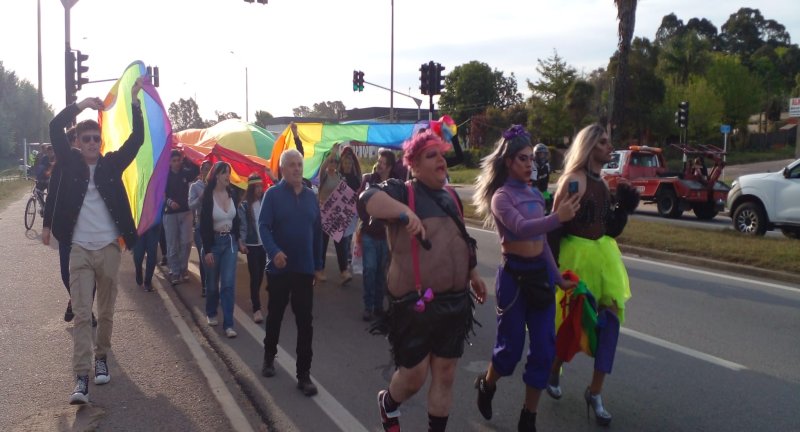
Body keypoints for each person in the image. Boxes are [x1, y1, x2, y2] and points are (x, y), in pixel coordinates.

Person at [361, 131, 487, 432]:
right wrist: (403, 212)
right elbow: (367, 199)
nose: (441, 160)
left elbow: (461, 240)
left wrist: (473, 273)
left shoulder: (452, 196)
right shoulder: (402, 191)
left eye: (441, 154)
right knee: (414, 376)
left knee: (445, 374)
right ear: (414, 165)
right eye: (432, 156)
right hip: (415, 305)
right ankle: (388, 404)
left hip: (455, 302)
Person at [471, 126, 580, 431]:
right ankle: (487, 384)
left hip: (539, 278)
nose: (530, 164)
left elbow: (542, 240)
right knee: (510, 350)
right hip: (513, 279)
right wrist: (558, 217)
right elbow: (519, 228)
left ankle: (527, 417)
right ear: (508, 161)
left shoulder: (534, 193)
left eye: (532, 158)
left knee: (545, 349)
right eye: (523, 158)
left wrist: (557, 278)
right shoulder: (501, 197)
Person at [46, 78, 145, 405]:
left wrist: (134, 102)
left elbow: (138, 139)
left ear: (100, 142)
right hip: (79, 250)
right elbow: (54, 125)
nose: (90, 142)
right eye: (85, 138)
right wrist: (82, 105)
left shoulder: (111, 164)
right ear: (79, 141)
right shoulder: (71, 162)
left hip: (108, 250)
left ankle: (102, 357)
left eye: (95, 138)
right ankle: (81, 378)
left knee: (106, 310)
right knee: (83, 312)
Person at [545, 123, 633, 426]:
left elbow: (608, 228)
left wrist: (622, 209)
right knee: (573, 324)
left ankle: (595, 391)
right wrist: (552, 270)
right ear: (590, 146)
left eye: (609, 143)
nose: (610, 148)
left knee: (610, 324)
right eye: (604, 143)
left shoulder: (602, 183)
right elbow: (555, 227)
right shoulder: (574, 181)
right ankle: (554, 368)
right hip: (575, 261)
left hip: (603, 261)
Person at [258, 149, 323, 397]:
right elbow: (263, 226)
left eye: (300, 164)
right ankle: (268, 356)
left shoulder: (310, 196)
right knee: (275, 316)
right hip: (279, 269)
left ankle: (303, 375)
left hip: (304, 270)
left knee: (305, 323)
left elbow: (317, 232)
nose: (297, 169)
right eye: (292, 165)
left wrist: (318, 265)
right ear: (283, 169)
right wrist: (274, 251)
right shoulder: (272, 195)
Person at [200, 161, 243, 338]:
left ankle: (229, 324)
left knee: (228, 284)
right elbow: (204, 225)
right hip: (214, 243)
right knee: (212, 285)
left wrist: (239, 239)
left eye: (229, 172)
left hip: (230, 243)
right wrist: (208, 249)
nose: (228, 176)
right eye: (225, 173)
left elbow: (237, 220)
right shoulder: (208, 196)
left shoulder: (231, 193)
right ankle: (211, 311)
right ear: (216, 175)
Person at [356, 149, 397, 321]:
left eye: (382, 162)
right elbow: (359, 201)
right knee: (370, 269)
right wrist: (366, 220)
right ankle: (368, 306)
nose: (378, 164)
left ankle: (379, 306)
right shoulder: (368, 180)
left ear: (389, 166)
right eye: (378, 161)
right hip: (369, 234)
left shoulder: (395, 185)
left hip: (386, 236)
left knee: (382, 272)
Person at [318, 145, 361, 284]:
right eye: (331, 161)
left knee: (340, 243)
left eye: (336, 162)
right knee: (322, 244)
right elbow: (322, 168)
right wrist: (332, 154)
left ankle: (344, 272)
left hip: (335, 215)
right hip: (323, 213)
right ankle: (320, 270)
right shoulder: (324, 176)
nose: (333, 164)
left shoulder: (340, 176)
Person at [163, 150, 199, 285]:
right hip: (170, 214)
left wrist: (188, 155)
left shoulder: (185, 172)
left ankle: (183, 268)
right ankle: (175, 271)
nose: (177, 163)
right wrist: (170, 202)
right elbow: (161, 193)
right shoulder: (164, 175)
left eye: (179, 160)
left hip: (186, 212)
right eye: (174, 161)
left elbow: (196, 169)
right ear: (169, 162)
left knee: (187, 242)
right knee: (172, 244)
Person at [238, 173, 267, 323]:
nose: (260, 190)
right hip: (252, 245)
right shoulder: (244, 206)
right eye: (257, 187)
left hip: (264, 245)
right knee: (255, 275)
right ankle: (256, 308)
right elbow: (242, 226)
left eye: (261, 187)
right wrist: (241, 243)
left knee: (261, 274)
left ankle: (253, 296)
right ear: (250, 188)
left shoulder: (265, 202)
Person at [189, 160, 212, 296]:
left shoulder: (215, 186)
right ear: (201, 170)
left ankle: (212, 285)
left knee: (212, 258)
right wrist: (200, 198)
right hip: (200, 226)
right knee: (204, 257)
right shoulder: (195, 187)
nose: (207, 171)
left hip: (213, 227)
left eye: (210, 169)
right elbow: (191, 205)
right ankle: (205, 286)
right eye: (205, 169)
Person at [133, 222, 161, 293]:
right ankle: (138, 272)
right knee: (138, 257)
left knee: (152, 255)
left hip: (153, 226)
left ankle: (148, 283)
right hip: (138, 226)